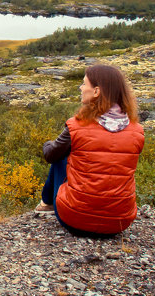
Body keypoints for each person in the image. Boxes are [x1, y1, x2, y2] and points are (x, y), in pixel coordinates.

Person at [36, 63, 144, 237]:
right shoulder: (137, 131)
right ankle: (111, 210)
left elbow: (50, 155)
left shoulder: (77, 126)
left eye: (84, 83)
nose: (81, 87)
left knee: (59, 156)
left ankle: (47, 203)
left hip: (74, 219)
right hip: (119, 223)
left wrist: (48, 143)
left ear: (96, 91)